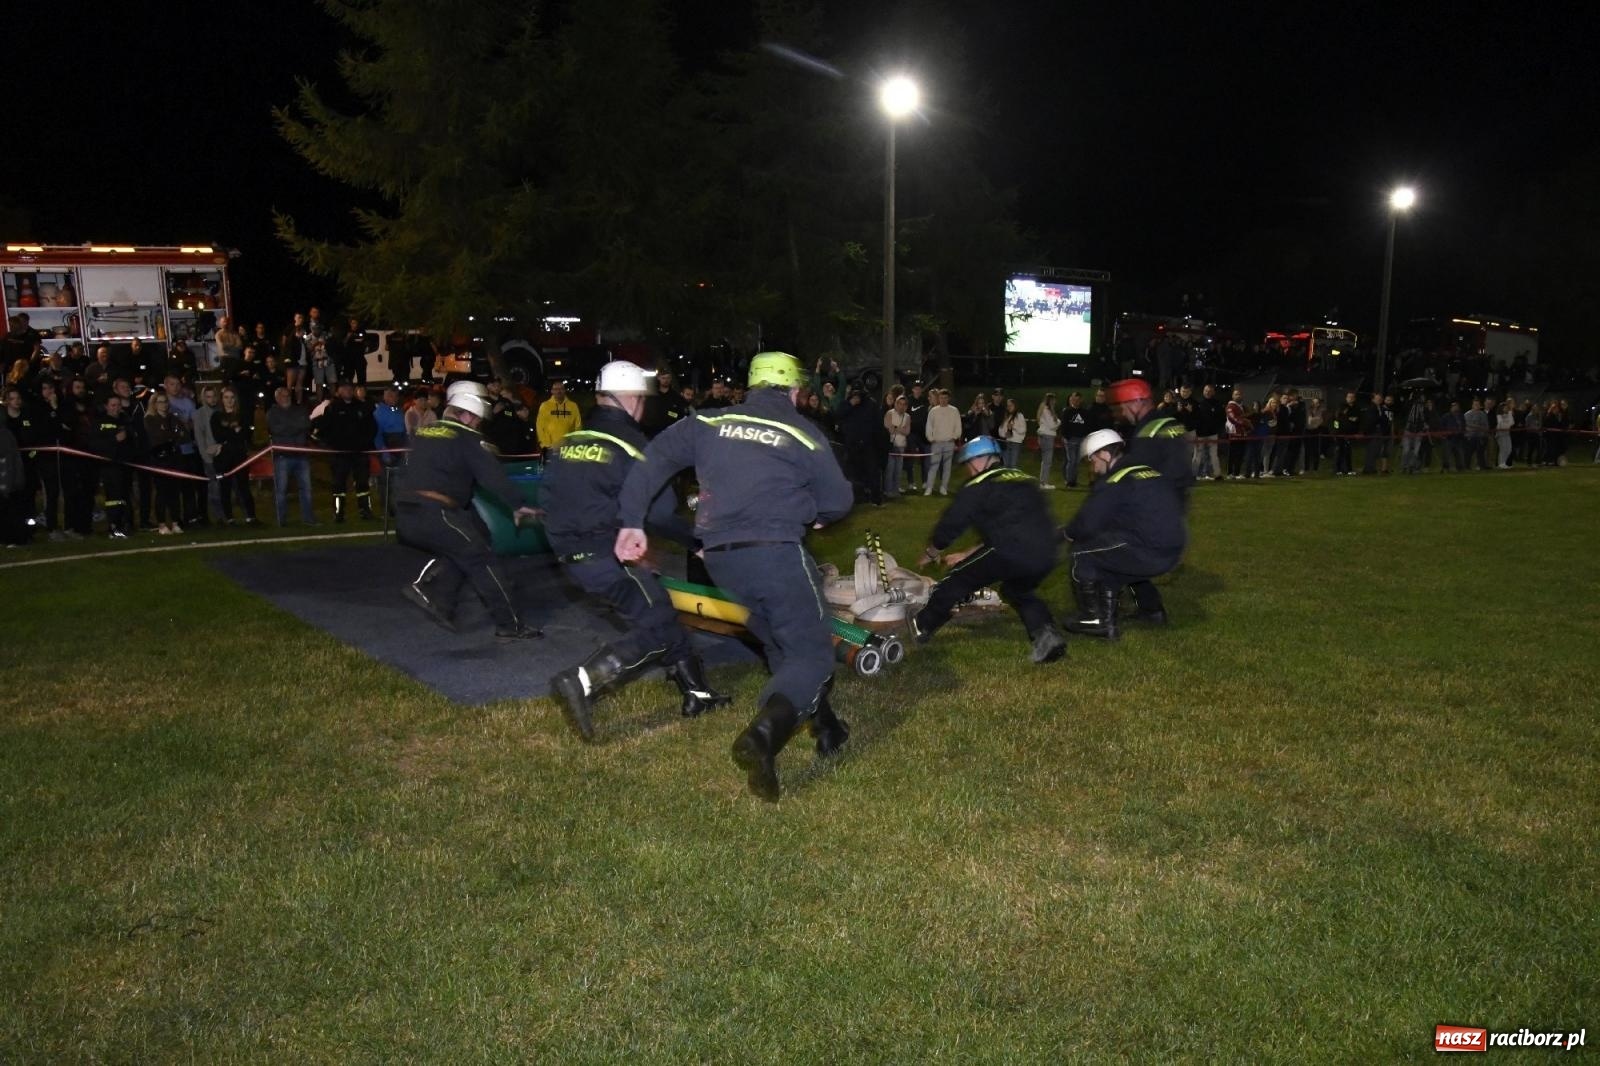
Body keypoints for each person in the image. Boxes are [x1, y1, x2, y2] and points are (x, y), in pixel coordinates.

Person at [614, 352, 855, 802]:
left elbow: (652, 461)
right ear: (796, 391)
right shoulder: (802, 433)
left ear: (750, 387)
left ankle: (828, 729)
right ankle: (764, 734)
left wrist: (631, 521)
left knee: (781, 643)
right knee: (814, 654)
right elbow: (839, 499)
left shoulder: (706, 423)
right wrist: (818, 515)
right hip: (775, 553)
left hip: (720, 561)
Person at [543, 362, 732, 740]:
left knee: (658, 611)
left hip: (569, 556)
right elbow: (660, 512)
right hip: (612, 553)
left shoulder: (570, 443)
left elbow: (549, 498)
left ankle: (698, 693)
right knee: (657, 625)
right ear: (631, 401)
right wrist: (696, 541)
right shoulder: (632, 446)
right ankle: (583, 679)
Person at [396, 390, 542, 641]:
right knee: (483, 561)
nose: (478, 425)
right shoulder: (466, 438)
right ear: (465, 416)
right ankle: (510, 625)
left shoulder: (424, 432)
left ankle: (438, 599)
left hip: (406, 510)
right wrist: (518, 504)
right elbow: (491, 475)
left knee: (466, 547)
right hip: (436, 512)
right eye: (476, 420)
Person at [909, 436, 1065, 664]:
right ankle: (1046, 636)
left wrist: (932, 551)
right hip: (1047, 550)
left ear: (979, 460)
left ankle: (922, 625)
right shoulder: (1024, 479)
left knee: (958, 578)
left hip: (1011, 549)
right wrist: (967, 553)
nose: (969, 471)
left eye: (969, 465)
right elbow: (1013, 525)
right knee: (1017, 591)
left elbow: (952, 523)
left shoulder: (978, 485)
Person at [1060, 429, 1187, 640]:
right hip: (1173, 549)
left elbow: (1086, 523)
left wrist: (1067, 533)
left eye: (1091, 461)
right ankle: (1149, 612)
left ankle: (1093, 618)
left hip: (1150, 551)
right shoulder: (1147, 471)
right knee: (1112, 556)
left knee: (1082, 551)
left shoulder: (1115, 480)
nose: (1092, 467)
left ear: (1104, 454)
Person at [315, 380, 377, 521]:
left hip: (359, 453)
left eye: (350, 388)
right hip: (340, 454)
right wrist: (329, 444)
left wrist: (366, 443)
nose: (348, 391)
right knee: (339, 485)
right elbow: (322, 429)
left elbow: (372, 428)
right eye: (345, 388)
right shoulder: (333, 408)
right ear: (339, 391)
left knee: (362, 483)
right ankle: (338, 513)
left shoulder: (361, 407)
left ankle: (365, 511)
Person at [267, 387, 317, 526]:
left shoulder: (299, 409)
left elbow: (306, 424)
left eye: (288, 395)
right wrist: (297, 426)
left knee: (306, 489)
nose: (286, 397)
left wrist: (289, 426)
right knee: (281, 490)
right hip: (282, 457)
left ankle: (308, 518)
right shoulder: (272, 413)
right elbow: (276, 429)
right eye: (283, 395)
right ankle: (281, 520)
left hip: (301, 455)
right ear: (277, 398)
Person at [142, 390, 189, 534]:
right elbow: (156, 439)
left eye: (165, 401)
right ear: (154, 404)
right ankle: (162, 523)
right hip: (159, 461)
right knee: (161, 492)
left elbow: (184, 435)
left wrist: (170, 437)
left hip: (174, 459)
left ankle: (175, 522)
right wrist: (171, 437)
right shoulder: (150, 419)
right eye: (160, 402)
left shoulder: (173, 418)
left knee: (174, 492)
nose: (164, 404)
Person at [211, 387, 259, 525]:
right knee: (225, 487)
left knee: (244, 486)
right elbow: (218, 436)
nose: (229, 400)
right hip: (223, 457)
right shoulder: (216, 416)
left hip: (239, 455)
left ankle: (251, 516)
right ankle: (229, 518)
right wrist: (234, 430)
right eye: (226, 397)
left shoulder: (242, 415)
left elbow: (244, 435)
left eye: (232, 397)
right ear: (222, 399)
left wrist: (232, 433)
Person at [924, 388, 962, 496]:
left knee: (947, 467)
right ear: (938, 398)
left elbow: (958, 426)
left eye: (945, 398)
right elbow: (929, 426)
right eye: (941, 398)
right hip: (936, 443)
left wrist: (954, 437)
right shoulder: (933, 411)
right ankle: (929, 488)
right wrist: (931, 438)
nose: (943, 400)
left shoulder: (954, 411)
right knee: (933, 466)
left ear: (948, 399)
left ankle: (943, 487)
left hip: (949, 443)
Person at [536, 379, 582, 450]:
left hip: (568, 448)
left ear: (565, 390)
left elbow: (578, 426)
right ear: (552, 391)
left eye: (561, 389)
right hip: (550, 447)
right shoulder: (545, 406)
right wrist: (545, 444)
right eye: (556, 389)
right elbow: (540, 426)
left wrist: (575, 443)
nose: (559, 391)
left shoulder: (573, 406)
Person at [883, 393, 911, 497]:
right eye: (900, 403)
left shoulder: (907, 417)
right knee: (890, 469)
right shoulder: (889, 413)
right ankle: (888, 490)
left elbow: (907, 431)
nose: (902, 406)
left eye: (904, 404)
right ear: (896, 404)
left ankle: (896, 490)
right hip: (891, 445)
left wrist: (896, 428)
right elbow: (888, 428)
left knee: (898, 470)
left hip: (901, 446)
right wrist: (900, 429)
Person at [1035, 393, 1060, 489]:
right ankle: (1043, 483)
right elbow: (1052, 425)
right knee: (1047, 461)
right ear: (1051, 400)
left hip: (1043, 435)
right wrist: (1058, 422)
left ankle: (1043, 482)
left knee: (1045, 461)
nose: (1055, 402)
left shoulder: (1043, 409)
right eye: (1054, 400)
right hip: (1047, 436)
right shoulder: (1047, 410)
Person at [998, 398, 1027, 468]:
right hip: (1007, 443)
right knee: (1006, 465)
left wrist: (1013, 427)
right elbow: (1000, 430)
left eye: (1011, 405)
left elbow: (1023, 430)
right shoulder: (1007, 417)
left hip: (1016, 443)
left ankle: (1012, 478)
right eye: (1008, 406)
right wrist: (1005, 434)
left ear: (1015, 406)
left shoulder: (1019, 416)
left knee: (1013, 465)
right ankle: (1007, 479)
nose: (1009, 407)